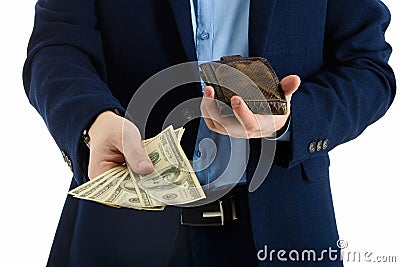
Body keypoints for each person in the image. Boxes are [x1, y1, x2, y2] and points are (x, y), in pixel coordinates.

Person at [23, 0, 396, 266]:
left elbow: (367, 68)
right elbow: (56, 47)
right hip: (122, 225)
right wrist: (92, 120)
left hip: (285, 230)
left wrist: (291, 119)